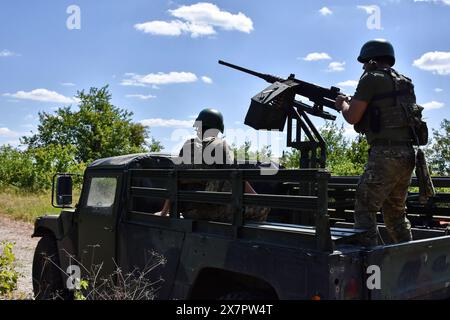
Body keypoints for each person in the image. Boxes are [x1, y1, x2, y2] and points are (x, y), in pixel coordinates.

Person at [335, 39, 416, 246]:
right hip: (407, 154)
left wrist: (342, 104)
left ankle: (372, 262)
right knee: (396, 213)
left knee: (364, 208)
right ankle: (410, 260)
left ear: (372, 60)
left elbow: (353, 117)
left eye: (364, 62)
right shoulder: (405, 82)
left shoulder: (371, 78)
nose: (362, 67)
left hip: (385, 155)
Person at [158, 108, 270, 222]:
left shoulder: (187, 146)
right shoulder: (220, 145)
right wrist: (257, 199)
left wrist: (164, 212)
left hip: (189, 212)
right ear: (217, 129)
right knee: (262, 208)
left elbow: (174, 181)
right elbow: (238, 178)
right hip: (213, 211)